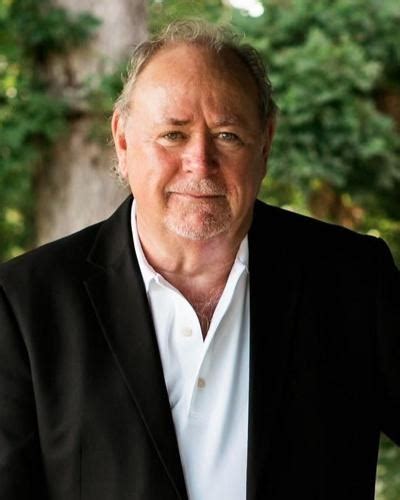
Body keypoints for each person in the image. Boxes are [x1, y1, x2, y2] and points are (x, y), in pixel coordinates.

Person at [0, 19, 399, 500]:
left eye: (228, 135)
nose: (200, 162)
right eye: (173, 134)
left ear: (266, 143)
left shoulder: (354, 279)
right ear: (122, 141)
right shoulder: (23, 303)